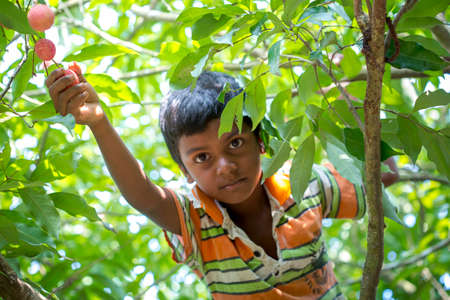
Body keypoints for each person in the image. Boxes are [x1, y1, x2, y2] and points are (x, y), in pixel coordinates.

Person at [46, 66, 398, 299]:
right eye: (202, 158)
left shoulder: (303, 183)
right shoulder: (196, 221)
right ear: (185, 171)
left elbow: (382, 175)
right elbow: (146, 198)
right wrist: (99, 124)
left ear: (260, 141)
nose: (226, 166)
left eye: (235, 143)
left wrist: (357, 105)